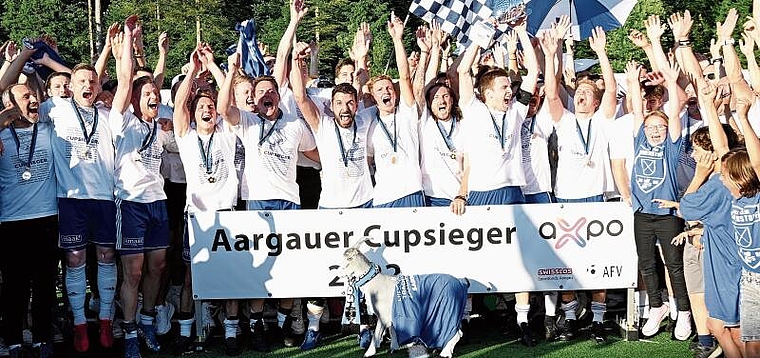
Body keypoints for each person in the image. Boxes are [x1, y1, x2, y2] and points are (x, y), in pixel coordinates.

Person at [218, 44, 319, 351]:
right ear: (256, 101)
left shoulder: (294, 125)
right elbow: (223, 109)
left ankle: (286, 320)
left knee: (288, 266)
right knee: (260, 267)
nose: (266, 96)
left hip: (290, 201)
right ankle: (257, 323)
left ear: (278, 94)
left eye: (271, 91)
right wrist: (232, 71)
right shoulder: (248, 123)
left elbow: (316, 155)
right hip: (259, 203)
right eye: (260, 93)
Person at [452, 16, 539, 346]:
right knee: (473, 256)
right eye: (503, 88)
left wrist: (520, 33)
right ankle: (463, 321)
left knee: (519, 258)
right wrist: (482, 36)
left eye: (509, 88)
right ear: (486, 93)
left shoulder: (516, 112)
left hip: (513, 192)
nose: (509, 91)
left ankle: (522, 321)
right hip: (480, 194)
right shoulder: (473, 110)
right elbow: (462, 71)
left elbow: (531, 73)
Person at [291, 41, 373, 350]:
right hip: (331, 208)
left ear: (356, 104)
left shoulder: (365, 120)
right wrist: (299, 61)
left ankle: (365, 326)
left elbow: (372, 89)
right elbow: (299, 95)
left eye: (350, 102)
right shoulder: (322, 124)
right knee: (323, 268)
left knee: (366, 269)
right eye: (339, 103)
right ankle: (313, 328)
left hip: (364, 205)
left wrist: (361, 59)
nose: (345, 108)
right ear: (331, 105)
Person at [541, 23, 617, 344]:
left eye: (588, 92)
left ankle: (598, 322)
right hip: (566, 201)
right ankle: (570, 318)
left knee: (596, 262)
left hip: (595, 201)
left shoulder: (602, 121)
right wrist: (550, 54)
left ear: (596, 102)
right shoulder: (566, 120)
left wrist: (601, 53)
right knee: (566, 264)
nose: (582, 93)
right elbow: (551, 92)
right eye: (580, 91)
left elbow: (612, 90)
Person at [38, 63, 119, 353]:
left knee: (107, 256)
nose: (88, 84)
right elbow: (21, 108)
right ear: (71, 85)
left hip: (104, 197)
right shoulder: (53, 108)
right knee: (74, 260)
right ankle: (81, 325)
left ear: (98, 87)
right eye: (82, 80)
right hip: (70, 198)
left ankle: (107, 319)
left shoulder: (108, 114)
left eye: (93, 81)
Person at [110, 16, 175, 358]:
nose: (154, 96)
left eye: (155, 94)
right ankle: (131, 332)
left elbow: (154, 83)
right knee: (132, 272)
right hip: (131, 203)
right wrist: (127, 45)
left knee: (158, 268)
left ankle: (148, 321)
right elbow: (125, 82)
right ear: (134, 99)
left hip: (158, 202)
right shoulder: (122, 120)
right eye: (147, 94)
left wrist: (149, 51)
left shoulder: (158, 119)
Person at [172, 46, 241, 356]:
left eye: (210, 105)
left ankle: (231, 333)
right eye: (201, 105)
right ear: (194, 111)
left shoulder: (226, 132)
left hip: (227, 214)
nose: (207, 109)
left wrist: (213, 66)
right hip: (197, 217)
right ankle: (186, 332)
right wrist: (190, 72)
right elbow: (177, 106)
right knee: (191, 275)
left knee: (231, 274)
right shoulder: (186, 137)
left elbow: (228, 100)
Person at [0, 84, 57, 358]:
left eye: (34, 96)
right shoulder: (1, 135)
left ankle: (42, 337)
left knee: (45, 284)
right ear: (10, 105)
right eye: (26, 97)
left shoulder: (48, 130)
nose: (34, 100)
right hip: (11, 221)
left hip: (47, 217)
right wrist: (7, 115)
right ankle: (12, 340)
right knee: (14, 286)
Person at [360, 12, 424, 208]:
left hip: (412, 192)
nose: (386, 91)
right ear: (374, 97)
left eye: (389, 88)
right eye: (380, 90)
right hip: (383, 198)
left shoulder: (406, 112)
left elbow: (404, 77)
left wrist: (397, 39)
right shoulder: (370, 121)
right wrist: (362, 57)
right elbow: (367, 162)